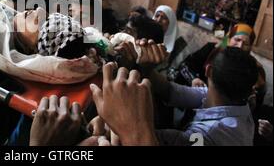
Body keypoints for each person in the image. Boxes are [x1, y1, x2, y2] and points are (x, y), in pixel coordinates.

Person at [90, 44, 259, 146]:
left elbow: (152, 138)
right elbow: (171, 91)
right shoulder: (231, 104)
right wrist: (146, 67)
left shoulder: (209, 135)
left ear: (208, 70)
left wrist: (123, 125)